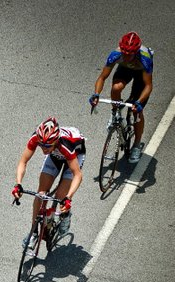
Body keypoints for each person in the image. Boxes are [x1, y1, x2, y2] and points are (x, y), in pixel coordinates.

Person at [12, 117, 86, 248]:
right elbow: (23, 161)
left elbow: (77, 175)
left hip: (74, 155)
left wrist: (68, 198)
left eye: (47, 146)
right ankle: (33, 233)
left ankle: (66, 215)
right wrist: (18, 184)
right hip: (55, 155)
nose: (43, 149)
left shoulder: (65, 145)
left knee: (61, 195)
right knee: (40, 194)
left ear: (56, 141)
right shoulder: (37, 138)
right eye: (41, 145)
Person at [89, 31, 154, 163]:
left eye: (129, 54)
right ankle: (115, 114)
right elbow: (102, 77)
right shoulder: (116, 55)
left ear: (135, 52)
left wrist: (139, 102)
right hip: (125, 69)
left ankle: (136, 145)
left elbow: (148, 86)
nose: (125, 55)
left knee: (136, 111)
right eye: (124, 53)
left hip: (141, 73)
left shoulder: (145, 59)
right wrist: (96, 94)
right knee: (116, 88)